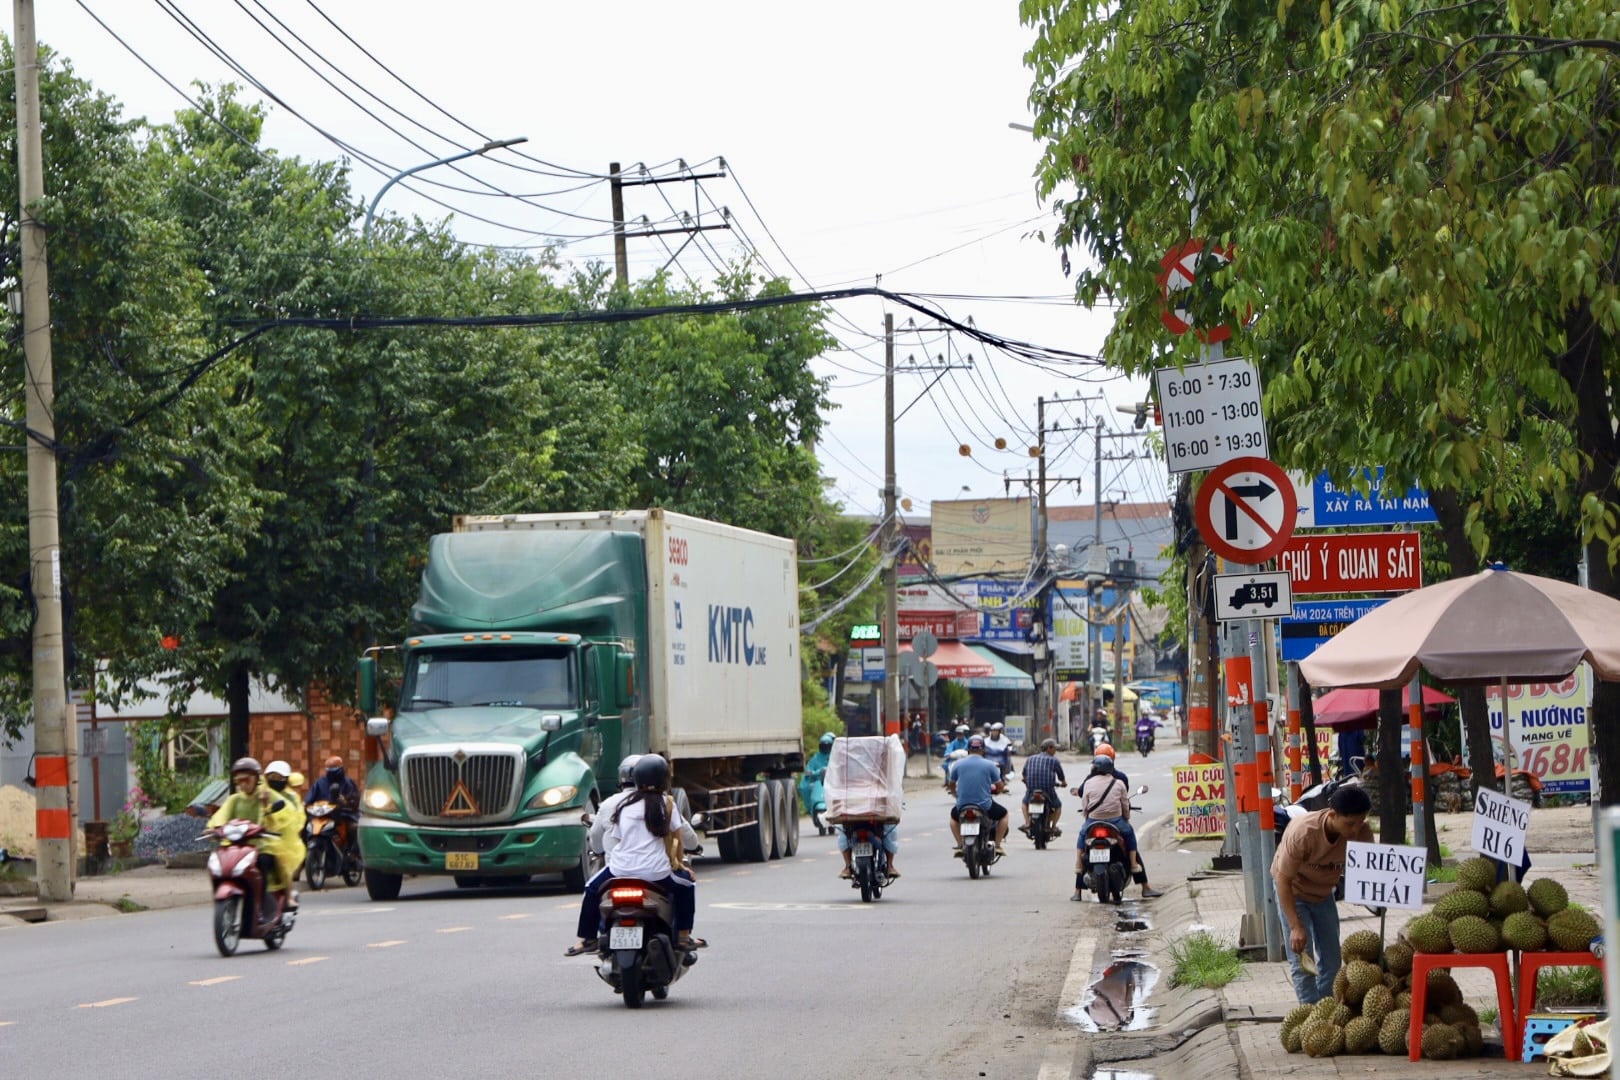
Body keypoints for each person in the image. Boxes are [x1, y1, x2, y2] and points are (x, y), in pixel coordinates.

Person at [567, 754, 704, 957]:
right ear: (664, 780)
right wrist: (682, 865)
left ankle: (587, 939)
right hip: (656, 873)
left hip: (619, 871)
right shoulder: (667, 805)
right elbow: (678, 837)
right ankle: (683, 936)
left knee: (591, 889)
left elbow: (616, 837)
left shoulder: (622, 806)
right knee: (687, 885)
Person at [1271, 785, 1374, 1004]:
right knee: (1302, 960)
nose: (1355, 829)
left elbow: (1369, 870)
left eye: (1360, 822)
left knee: (1332, 960)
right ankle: (1310, 1013)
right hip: (1293, 891)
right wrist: (1295, 926)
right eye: (1350, 823)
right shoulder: (1303, 833)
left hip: (1323, 893)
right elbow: (1283, 880)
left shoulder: (1362, 834)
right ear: (1332, 815)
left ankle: (1326, 1007)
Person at [208, 757, 302, 910]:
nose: (243, 784)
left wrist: (266, 808)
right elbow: (221, 816)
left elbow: (284, 816)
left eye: (246, 780)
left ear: (256, 778)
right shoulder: (234, 799)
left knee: (267, 862)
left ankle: (276, 899)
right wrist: (214, 828)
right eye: (239, 781)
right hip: (237, 844)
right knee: (218, 863)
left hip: (264, 844)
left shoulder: (267, 795)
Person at [1073, 755, 1162, 899]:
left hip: (1093, 821)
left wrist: (1088, 818)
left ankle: (1078, 873)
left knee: (1082, 837)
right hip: (1115, 821)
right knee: (1130, 835)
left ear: (1097, 768)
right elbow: (1125, 804)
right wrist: (1126, 817)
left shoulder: (1088, 782)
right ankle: (1134, 866)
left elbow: (1085, 805)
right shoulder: (1119, 782)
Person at [947, 735, 1008, 856]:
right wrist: (1001, 790)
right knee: (1004, 815)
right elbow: (1000, 785)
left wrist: (955, 794)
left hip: (962, 806)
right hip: (984, 806)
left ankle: (960, 845)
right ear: (983, 750)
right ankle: (997, 845)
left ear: (968, 750)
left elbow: (951, 784)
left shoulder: (957, 764)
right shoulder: (990, 765)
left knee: (953, 819)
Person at [306, 755, 361, 863]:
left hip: (344, 813)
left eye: (334, 769)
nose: (332, 772)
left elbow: (354, 799)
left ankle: (352, 854)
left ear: (341, 768)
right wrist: (306, 805)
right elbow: (310, 799)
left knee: (354, 827)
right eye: (329, 769)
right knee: (305, 826)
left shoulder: (348, 782)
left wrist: (345, 801)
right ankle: (304, 855)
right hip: (322, 814)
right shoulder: (320, 783)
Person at [261, 760, 307, 883]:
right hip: (262, 834)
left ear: (286, 779)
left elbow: (298, 816)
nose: (275, 780)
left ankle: (293, 878)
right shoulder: (262, 793)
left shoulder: (292, 797)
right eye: (272, 776)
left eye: (279, 777)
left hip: (285, 835)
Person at [1019, 738, 1067, 837]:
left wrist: (1026, 781)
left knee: (1024, 803)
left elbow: (1024, 774)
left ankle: (1027, 823)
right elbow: (1061, 776)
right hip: (1047, 790)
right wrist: (1063, 783)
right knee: (1058, 806)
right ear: (1049, 748)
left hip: (1032, 790)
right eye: (1054, 748)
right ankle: (1054, 827)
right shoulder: (1054, 760)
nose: (1055, 751)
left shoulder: (1030, 758)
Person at [799, 733, 834, 816]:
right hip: (818, 783)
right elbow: (808, 771)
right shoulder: (816, 758)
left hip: (833, 782)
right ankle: (810, 808)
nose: (825, 748)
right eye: (823, 746)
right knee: (804, 787)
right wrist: (818, 772)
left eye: (827, 746)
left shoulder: (835, 756)